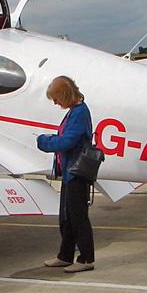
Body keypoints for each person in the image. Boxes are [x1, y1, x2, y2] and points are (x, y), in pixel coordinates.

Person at [36, 76, 95, 273]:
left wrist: (44, 142)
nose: (55, 102)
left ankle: (86, 258)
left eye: (56, 98)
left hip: (76, 173)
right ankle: (65, 255)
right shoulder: (75, 111)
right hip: (71, 172)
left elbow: (67, 141)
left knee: (78, 216)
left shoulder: (79, 113)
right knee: (68, 216)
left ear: (64, 95)